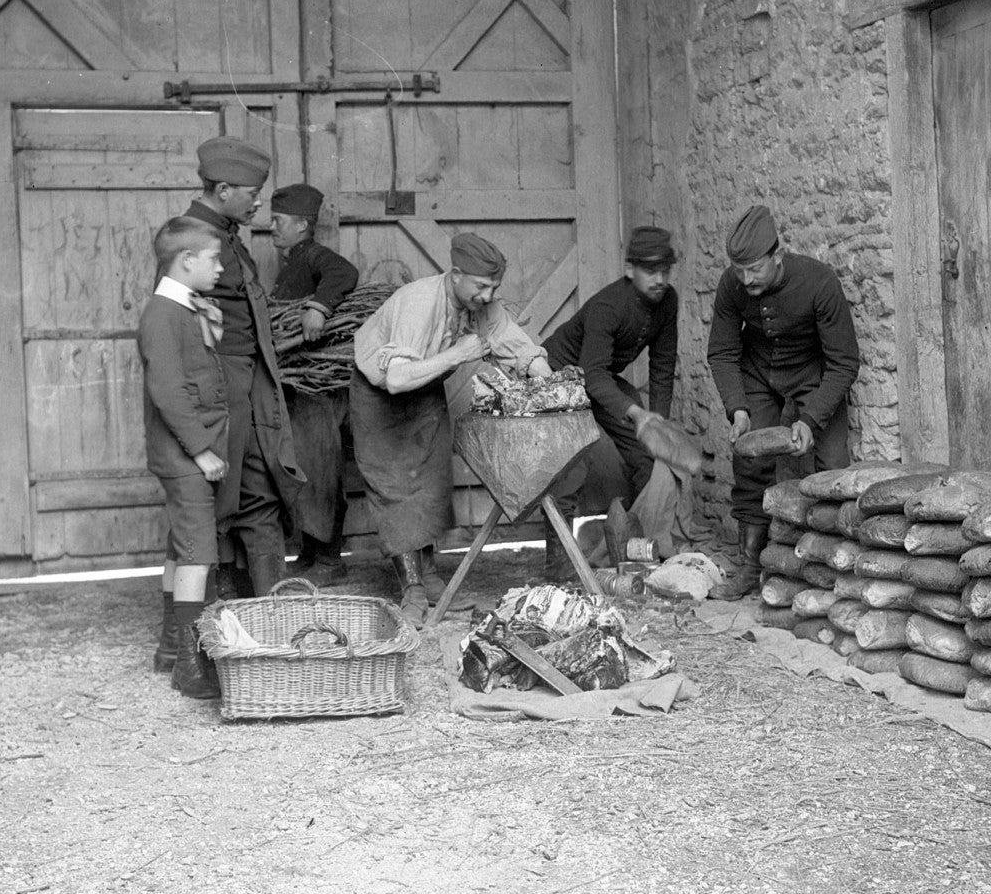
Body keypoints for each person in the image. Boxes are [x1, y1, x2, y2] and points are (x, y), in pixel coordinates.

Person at [350, 232, 550, 624]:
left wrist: (551, 384)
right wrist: (459, 353)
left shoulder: (481, 304)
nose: (488, 296)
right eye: (481, 286)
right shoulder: (418, 304)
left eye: (494, 287)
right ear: (455, 274)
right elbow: (395, 379)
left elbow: (518, 347)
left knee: (432, 483)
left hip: (424, 390)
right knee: (396, 488)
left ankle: (430, 579)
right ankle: (412, 589)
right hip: (381, 395)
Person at [707, 204, 860, 598]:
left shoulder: (819, 283)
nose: (746, 279)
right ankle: (750, 564)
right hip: (758, 375)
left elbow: (844, 363)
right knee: (750, 461)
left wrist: (810, 419)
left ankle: (833, 572)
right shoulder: (732, 284)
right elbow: (723, 352)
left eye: (755, 269)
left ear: (777, 256)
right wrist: (737, 408)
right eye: (739, 271)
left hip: (813, 378)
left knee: (831, 470)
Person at [183, 138, 302, 598]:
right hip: (216, 385)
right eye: (253, 192)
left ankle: (271, 604)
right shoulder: (191, 237)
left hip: (248, 381)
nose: (259, 202)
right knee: (211, 497)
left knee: (260, 484)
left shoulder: (227, 236)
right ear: (225, 188)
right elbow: (179, 326)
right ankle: (203, 625)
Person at [542, 225, 680, 572]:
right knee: (569, 468)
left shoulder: (668, 301)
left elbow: (662, 366)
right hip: (558, 377)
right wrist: (634, 411)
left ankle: (628, 542)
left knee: (648, 456)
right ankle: (559, 564)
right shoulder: (609, 306)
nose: (660, 279)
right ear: (630, 270)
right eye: (651, 271)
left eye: (665, 270)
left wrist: (656, 419)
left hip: (596, 378)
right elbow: (594, 374)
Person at [137, 218, 228, 699]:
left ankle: (172, 648)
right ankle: (191, 670)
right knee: (198, 554)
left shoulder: (182, 308)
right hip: (186, 455)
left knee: (180, 547)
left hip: (185, 452)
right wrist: (202, 451)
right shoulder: (163, 314)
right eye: (213, 258)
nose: (219, 267)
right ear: (186, 260)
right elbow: (169, 392)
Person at [268, 183, 359, 581]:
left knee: (320, 469)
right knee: (303, 468)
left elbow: (345, 272)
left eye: (279, 221)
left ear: (303, 225)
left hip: (318, 394)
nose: (272, 227)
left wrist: (319, 308)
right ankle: (310, 555)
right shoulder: (294, 261)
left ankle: (329, 560)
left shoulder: (313, 256)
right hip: (301, 389)